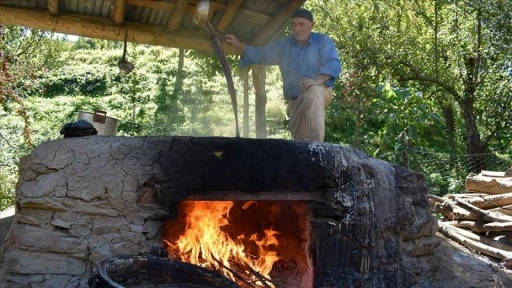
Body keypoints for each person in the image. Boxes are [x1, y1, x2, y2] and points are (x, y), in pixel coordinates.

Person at [225, 8, 341, 142]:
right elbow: (261, 55)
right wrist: (239, 45)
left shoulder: (322, 41)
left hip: (320, 91)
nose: (297, 28)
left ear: (312, 25)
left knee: (313, 92)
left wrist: (316, 79)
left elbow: (334, 64)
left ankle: (318, 148)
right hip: (295, 101)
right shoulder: (284, 46)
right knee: (300, 146)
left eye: (301, 24)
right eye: (294, 24)